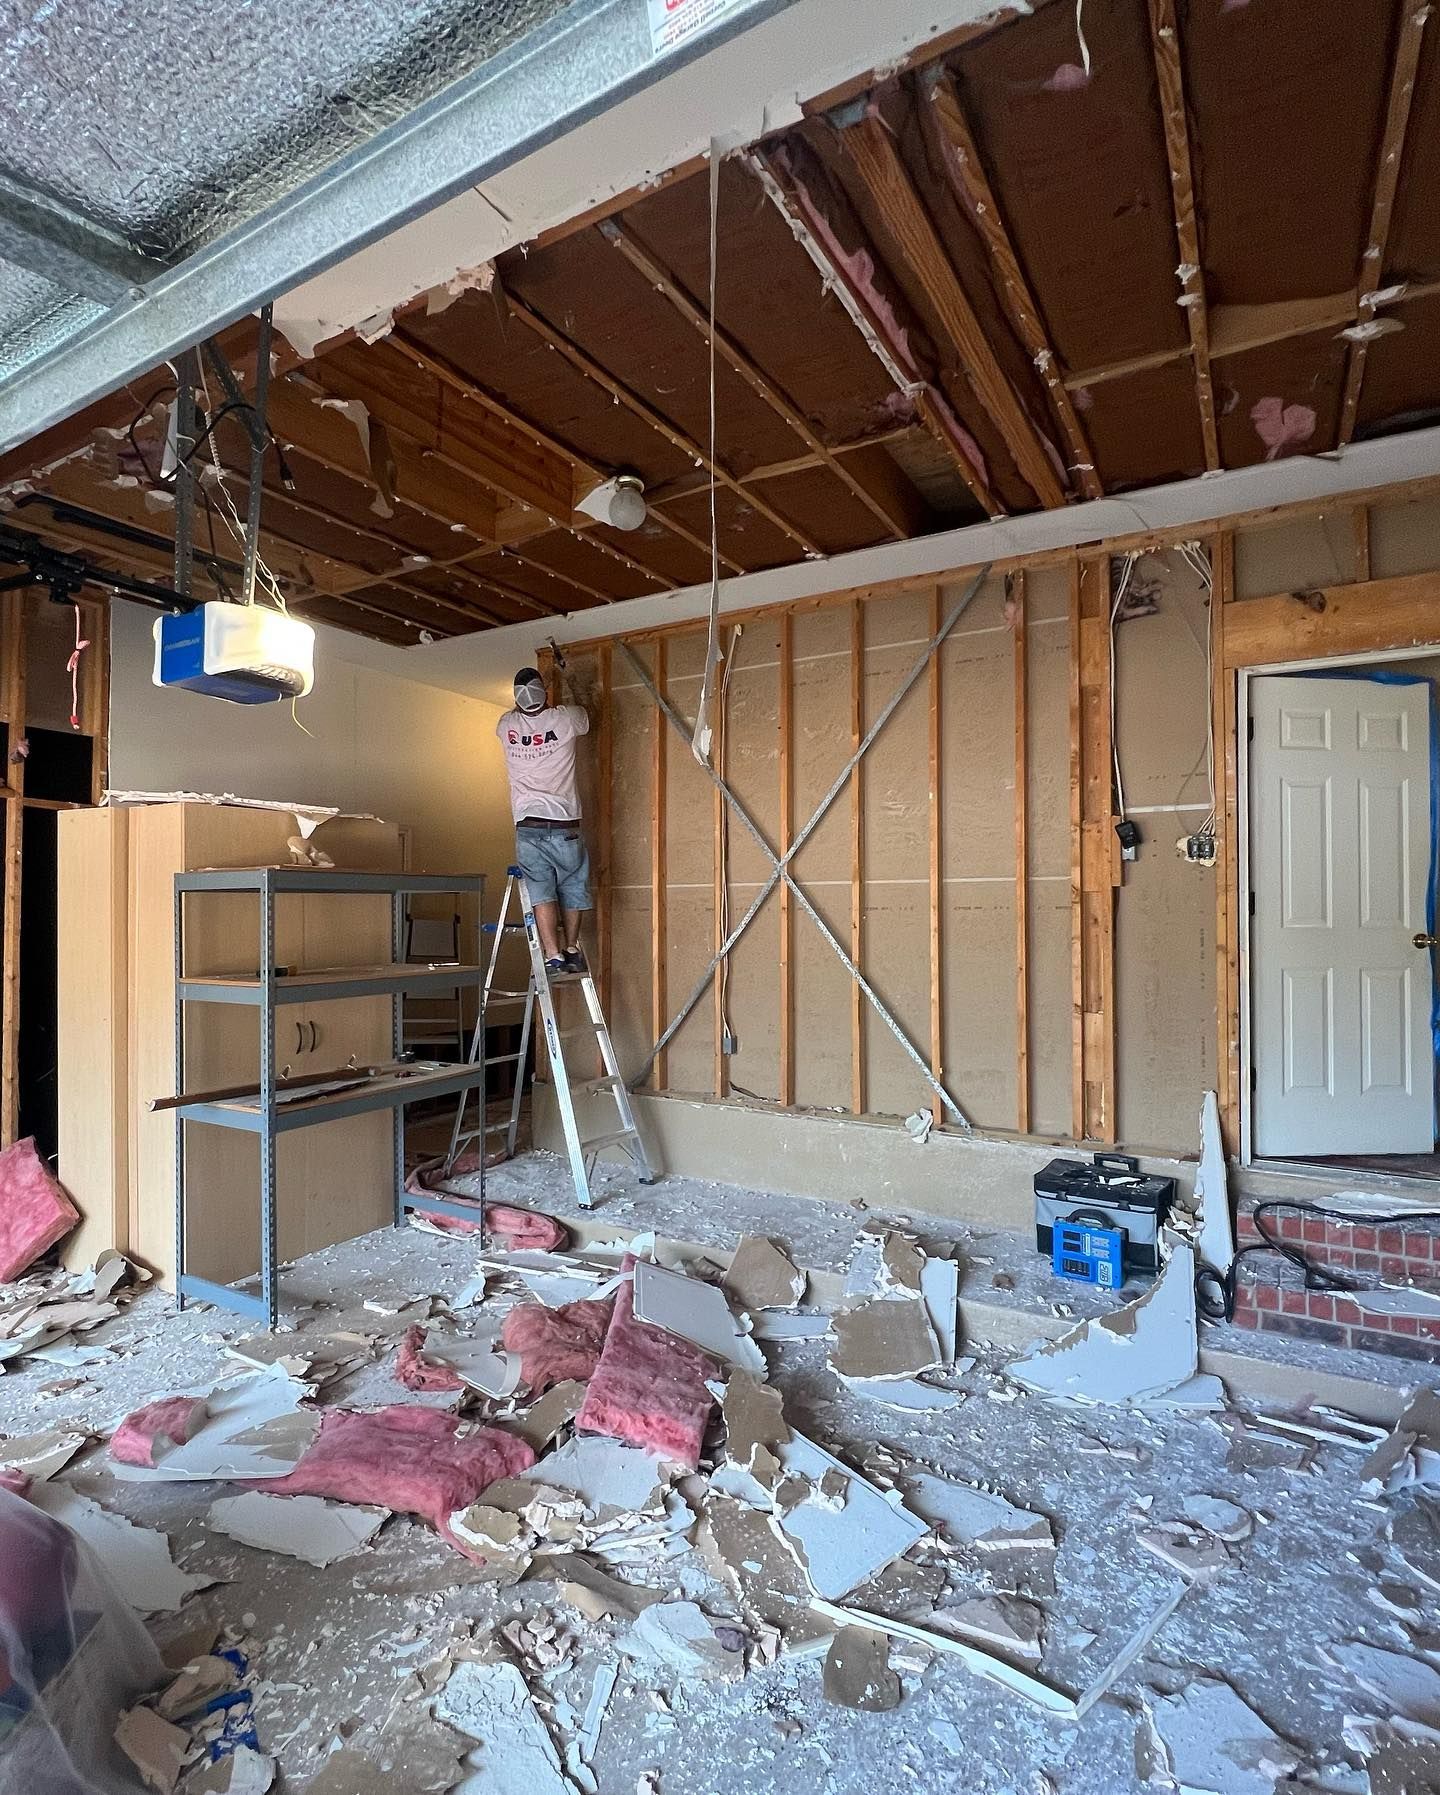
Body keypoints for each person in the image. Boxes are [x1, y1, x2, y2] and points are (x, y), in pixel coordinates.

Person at [496, 666, 593, 977]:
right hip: (565, 822)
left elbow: (519, 712)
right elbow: (587, 720)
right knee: (573, 884)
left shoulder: (506, 724)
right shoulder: (564, 718)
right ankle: (572, 948)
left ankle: (552, 955)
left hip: (528, 826)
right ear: (545, 694)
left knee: (542, 891)